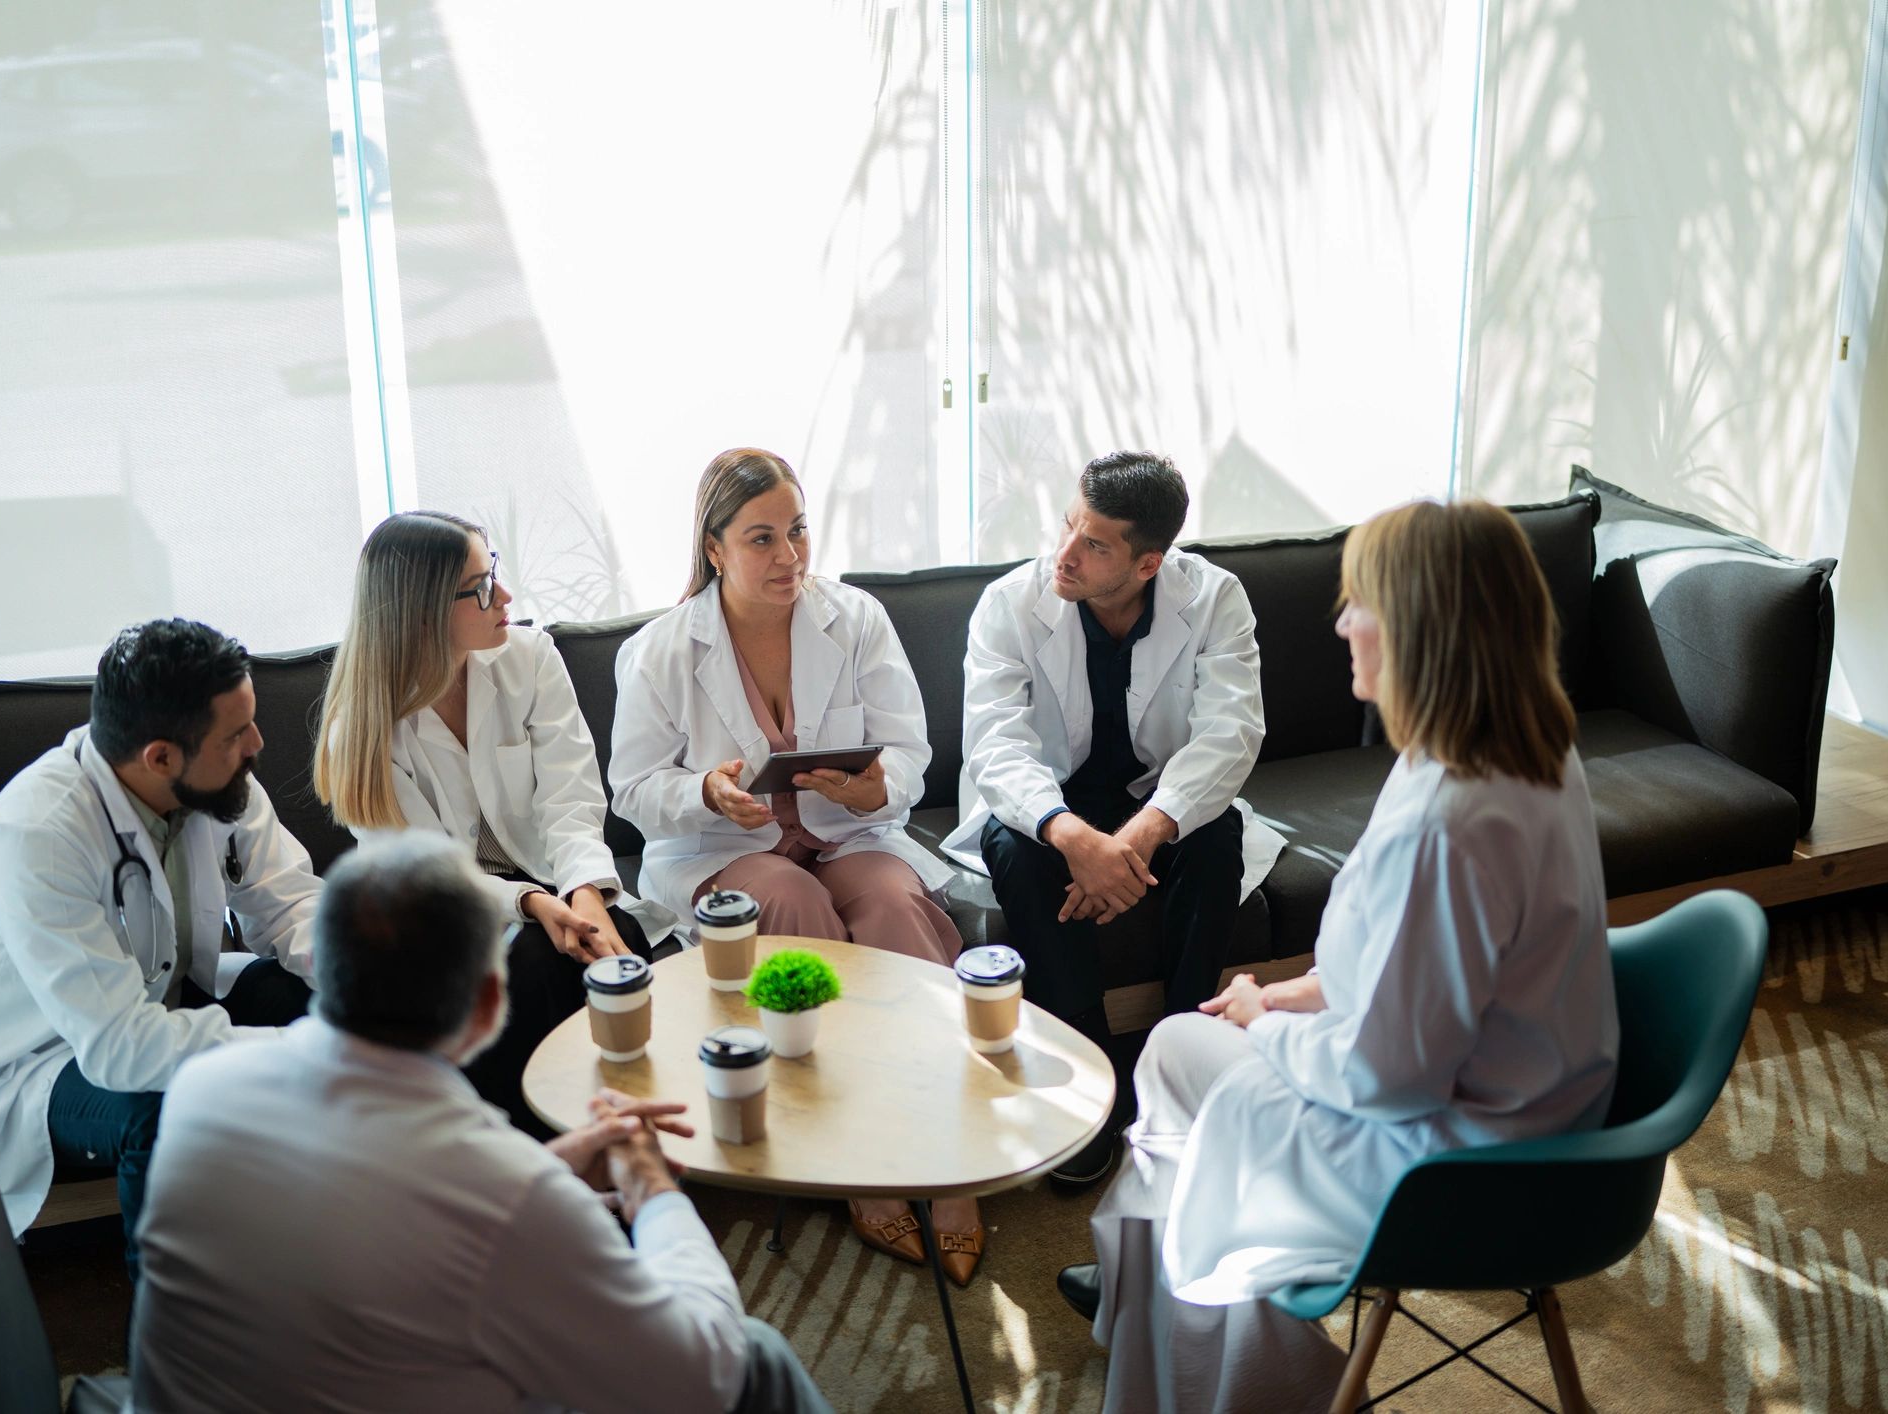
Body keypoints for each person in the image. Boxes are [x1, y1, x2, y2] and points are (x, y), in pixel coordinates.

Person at [1057, 499, 1620, 1413]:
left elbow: (1389, 1071)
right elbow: (1434, 969)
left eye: (1360, 601)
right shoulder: (1518, 753)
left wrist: (1264, 1024)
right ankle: (1146, 1285)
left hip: (1460, 1156)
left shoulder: (1449, 820)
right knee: (1172, 1049)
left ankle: (1192, 1322)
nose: (1342, 622)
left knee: (1211, 1094)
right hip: (1524, 1084)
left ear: (1418, 629)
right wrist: (1297, 995)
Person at [130, 833, 833, 1414]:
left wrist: (545, 1168)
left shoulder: (201, 1090)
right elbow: (699, 1378)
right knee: (755, 1358)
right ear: (490, 1000)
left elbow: (395, 1211)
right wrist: (654, 1192)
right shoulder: (504, 1193)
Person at [610, 447, 981, 1282]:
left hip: (848, 836)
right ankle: (848, 1152)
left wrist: (870, 791)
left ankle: (943, 1138)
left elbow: (913, 753)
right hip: (723, 851)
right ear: (715, 549)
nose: (790, 558)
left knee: (892, 907)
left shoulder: (854, 621)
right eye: (762, 539)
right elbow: (631, 788)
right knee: (790, 905)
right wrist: (705, 792)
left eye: (799, 532)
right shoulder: (661, 650)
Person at [0, 619, 319, 1276]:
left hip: (150, 999)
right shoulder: (39, 835)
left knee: (304, 998)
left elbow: (291, 903)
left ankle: (310, 1273)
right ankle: (170, 1352)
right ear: (160, 757)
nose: (258, 743)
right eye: (236, 734)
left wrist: (375, 998)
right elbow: (116, 1048)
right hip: (38, 1060)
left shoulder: (219, 780)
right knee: (164, 1109)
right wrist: (305, 1054)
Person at [942, 449, 1280, 1183]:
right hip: (1048, 804)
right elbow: (995, 746)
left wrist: (1137, 838)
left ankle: (1182, 1061)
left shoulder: (1217, 599)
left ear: (1149, 564)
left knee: (1214, 838)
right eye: (1069, 525)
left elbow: (1230, 734)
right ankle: (1087, 1073)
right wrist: (1073, 838)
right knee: (1016, 845)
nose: (1065, 553)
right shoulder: (1009, 602)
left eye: (1095, 544)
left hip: (1156, 799)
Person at [315, 510, 672, 1135]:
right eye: (480, 588)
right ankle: (587, 1158)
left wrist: (583, 893)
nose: (504, 597)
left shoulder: (529, 658)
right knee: (533, 969)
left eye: (495, 574)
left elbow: (571, 799)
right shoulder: (362, 730)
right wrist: (533, 902)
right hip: (445, 924)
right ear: (422, 612)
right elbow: (428, 876)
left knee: (609, 943)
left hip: (563, 891)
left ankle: (571, 1156)